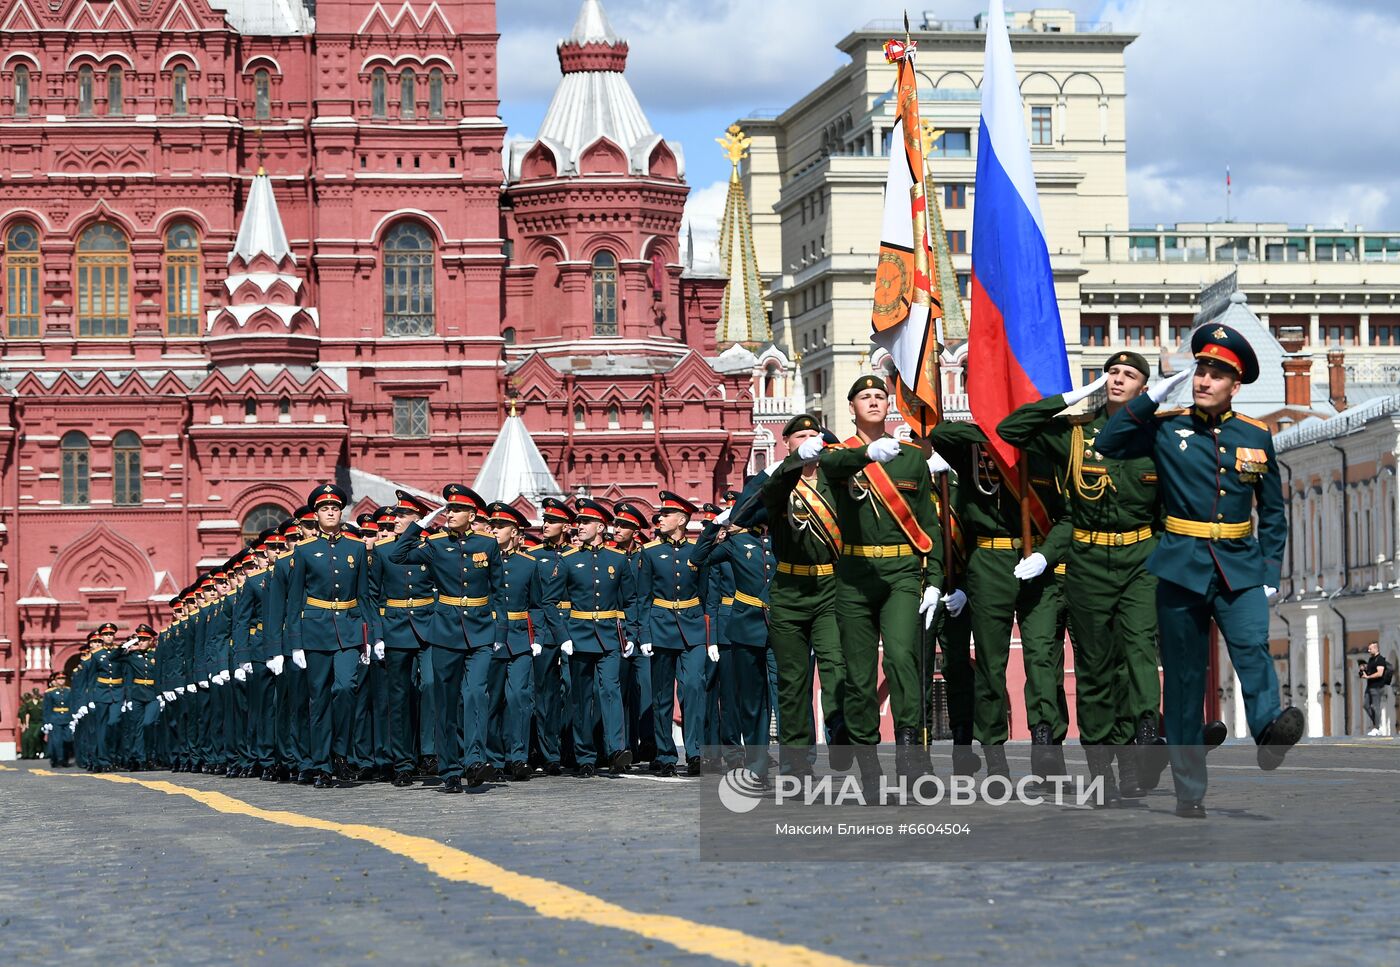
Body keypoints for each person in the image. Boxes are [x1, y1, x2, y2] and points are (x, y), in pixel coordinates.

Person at [1096, 322, 1304, 819]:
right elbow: (1108, 440)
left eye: (1217, 374)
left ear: (1236, 385)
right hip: (1182, 567)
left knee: (1253, 645)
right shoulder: (1166, 427)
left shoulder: (1255, 435)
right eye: (1201, 370)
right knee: (1187, 682)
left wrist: (1271, 569)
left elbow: (1272, 510)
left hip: (1239, 566)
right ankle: (1190, 791)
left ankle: (1269, 729)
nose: (1205, 380)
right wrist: (1149, 399)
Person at [997, 351, 1168, 803]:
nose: (1117, 379)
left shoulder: (1158, 435)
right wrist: (1070, 398)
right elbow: (1012, 429)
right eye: (1111, 372)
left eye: (1129, 375)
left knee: (1137, 651)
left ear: (1143, 387)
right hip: (1088, 558)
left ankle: (1143, 740)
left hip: (1141, 557)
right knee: (1094, 670)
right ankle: (1102, 767)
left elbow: (1170, 508)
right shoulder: (1075, 435)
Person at [804, 376, 943, 786]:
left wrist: (934, 577)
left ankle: (910, 754)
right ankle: (868, 762)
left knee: (903, 659)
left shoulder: (912, 458)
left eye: (880, 396)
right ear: (851, 408)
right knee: (859, 675)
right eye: (865, 397)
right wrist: (867, 453)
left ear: (889, 406)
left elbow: (928, 521)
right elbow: (830, 467)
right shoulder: (839, 456)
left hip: (901, 573)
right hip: (854, 576)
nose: (874, 401)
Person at [926, 416, 1069, 786]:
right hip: (988, 563)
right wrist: (995, 428)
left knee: (1041, 658)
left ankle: (1044, 741)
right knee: (991, 664)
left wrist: (1046, 555)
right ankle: (994, 753)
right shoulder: (974, 452)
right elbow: (940, 433)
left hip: (1036, 563)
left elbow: (1066, 518)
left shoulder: (1043, 454)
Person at [387, 483, 506, 793]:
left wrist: (499, 632)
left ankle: (475, 760)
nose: (450, 514)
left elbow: (499, 592)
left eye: (456, 510)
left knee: (476, 694)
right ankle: (450, 768)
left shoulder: (488, 545)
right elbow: (397, 556)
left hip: (480, 631)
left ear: (472, 514)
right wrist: (421, 524)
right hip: (445, 632)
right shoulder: (436, 544)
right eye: (448, 509)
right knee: (445, 701)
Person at [541, 498, 639, 777]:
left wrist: (630, 632)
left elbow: (631, 600)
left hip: (609, 636)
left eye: (585, 523)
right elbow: (549, 601)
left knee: (610, 690)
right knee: (581, 698)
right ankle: (585, 755)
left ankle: (617, 749)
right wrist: (563, 635)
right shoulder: (569, 559)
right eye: (578, 522)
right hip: (578, 636)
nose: (579, 527)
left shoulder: (618, 559)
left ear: (600, 526)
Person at [284, 483, 373, 788]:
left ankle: (342, 755)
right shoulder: (305, 551)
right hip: (315, 631)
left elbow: (364, 596)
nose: (331, 512)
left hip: (348, 629)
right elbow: (294, 600)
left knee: (347, 688)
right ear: (316, 515)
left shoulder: (356, 548)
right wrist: (294, 642)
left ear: (341, 512)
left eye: (335, 508)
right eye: (325, 509)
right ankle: (321, 763)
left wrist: (369, 637)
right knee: (318, 699)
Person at [694, 483, 775, 775]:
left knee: (784, 696)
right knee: (750, 698)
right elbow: (699, 559)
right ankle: (753, 760)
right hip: (748, 626)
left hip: (783, 627)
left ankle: (793, 758)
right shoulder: (737, 544)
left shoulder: (781, 540)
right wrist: (714, 526)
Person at [638, 491, 712, 776]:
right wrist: (644, 634)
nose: (660, 519)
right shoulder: (650, 552)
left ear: (681, 520)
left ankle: (695, 752)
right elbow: (642, 597)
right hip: (660, 626)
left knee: (694, 686)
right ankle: (665, 753)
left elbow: (705, 592)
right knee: (661, 695)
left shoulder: (696, 552)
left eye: (666, 515)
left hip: (692, 628)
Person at [369, 491, 438, 786]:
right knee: (399, 696)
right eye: (396, 516)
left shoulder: (431, 548)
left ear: (416, 520)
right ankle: (403, 762)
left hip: (429, 625)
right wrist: (377, 634)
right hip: (395, 627)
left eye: (402, 516)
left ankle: (432, 753)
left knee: (433, 685)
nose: (395, 520)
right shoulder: (384, 551)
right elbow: (372, 596)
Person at [486, 501, 543, 781]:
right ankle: (494, 758)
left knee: (519, 697)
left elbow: (537, 604)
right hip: (491, 637)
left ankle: (518, 757)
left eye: (501, 526)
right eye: (492, 525)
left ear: (514, 531)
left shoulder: (528, 564)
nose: (494, 530)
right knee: (492, 700)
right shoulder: (481, 560)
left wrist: (538, 636)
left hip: (520, 637)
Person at [530, 497, 575, 775]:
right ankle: (549, 754)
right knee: (544, 693)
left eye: (552, 521)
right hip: (545, 630)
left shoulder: (576, 555)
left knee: (573, 690)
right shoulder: (534, 556)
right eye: (545, 520)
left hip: (573, 627)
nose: (545, 525)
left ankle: (572, 748)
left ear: (565, 526)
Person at [42, 672, 73, 767]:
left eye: (63, 678)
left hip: (67, 718)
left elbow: (72, 704)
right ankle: (59, 759)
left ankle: (66, 758)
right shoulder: (50, 693)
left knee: (67, 739)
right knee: (57, 741)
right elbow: (47, 708)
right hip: (55, 718)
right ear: (55, 680)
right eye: (59, 679)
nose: (61, 680)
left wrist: (73, 718)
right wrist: (46, 722)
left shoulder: (69, 691)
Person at [1360, 642, 1392, 735]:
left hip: (1377, 686)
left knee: (1375, 707)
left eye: (1370, 649)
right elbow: (1370, 670)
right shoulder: (1371, 659)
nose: (1369, 650)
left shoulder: (1380, 660)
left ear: (1376, 649)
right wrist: (1363, 669)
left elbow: (1380, 673)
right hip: (1369, 686)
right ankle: (1377, 723)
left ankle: (1377, 727)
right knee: (1365, 705)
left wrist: (1368, 677)